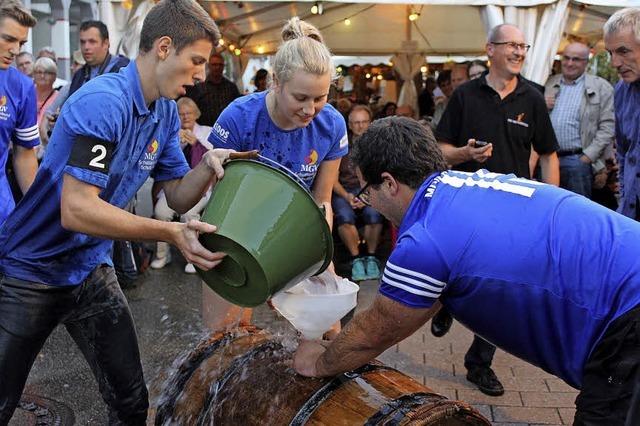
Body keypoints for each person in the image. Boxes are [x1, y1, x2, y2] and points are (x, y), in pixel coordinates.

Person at [294, 116, 640, 425]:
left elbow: (375, 332)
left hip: (626, 316)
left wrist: (320, 362)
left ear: (389, 183)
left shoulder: (424, 237)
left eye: (368, 193)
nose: (372, 204)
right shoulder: (467, 183)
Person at [0, 1, 230, 423]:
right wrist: (170, 234)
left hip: (89, 268)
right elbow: (77, 210)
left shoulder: (162, 110)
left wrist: (208, 167)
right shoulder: (103, 102)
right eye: (196, 61)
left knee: (130, 404)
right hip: (31, 271)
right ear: (164, 47)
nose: (200, 76)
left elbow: (177, 196)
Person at [434, 23, 560, 396]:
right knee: (457, 269)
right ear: (490, 49)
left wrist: (552, 204)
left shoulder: (533, 98)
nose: (520, 52)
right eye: (512, 45)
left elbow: (549, 153)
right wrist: (464, 154)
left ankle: (479, 364)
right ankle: (446, 302)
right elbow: (439, 149)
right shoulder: (465, 96)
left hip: (514, 208)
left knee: (501, 285)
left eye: (524, 46)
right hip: (468, 206)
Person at [206, 17, 348, 332]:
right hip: (238, 232)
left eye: (320, 98)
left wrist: (318, 262)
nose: (311, 110)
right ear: (276, 82)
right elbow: (218, 197)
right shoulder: (239, 118)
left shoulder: (332, 125)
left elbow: (322, 200)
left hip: (298, 233)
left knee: (327, 332)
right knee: (226, 340)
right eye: (300, 98)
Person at [150, 97, 214, 274]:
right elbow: (158, 163)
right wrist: (176, 143)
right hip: (175, 186)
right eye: (181, 114)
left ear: (196, 114)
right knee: (160, 212)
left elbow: (215, 160)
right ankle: (162, 255)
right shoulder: (171, 134)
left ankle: (193, 257)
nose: (185, 117)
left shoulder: (207, 132)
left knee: (189, 214)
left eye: (189, 113)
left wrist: (196, 145)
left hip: (201, 187)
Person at [544, 42, 615, 199]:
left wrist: (587, 157)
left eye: (575, 59)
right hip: (547, 159)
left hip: (577, 161)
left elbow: (608, 127)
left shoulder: (601, 87)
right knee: (549, 207)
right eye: (566, 58)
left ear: (586, 62)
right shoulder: (548, 83)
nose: (569, 63)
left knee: (576, 211)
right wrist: (543, 105)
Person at [332, 104, 383, 281]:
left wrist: (367, 196)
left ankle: (371, 257)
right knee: (344, 216)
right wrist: (347, 196)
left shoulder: (378, 146)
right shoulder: (340, 145)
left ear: (370, 123)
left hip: (371, 189)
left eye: (364, 122)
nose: (360, 126)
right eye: (356, 122)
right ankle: (356, 259)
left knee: (374, 214)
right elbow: (331, 178)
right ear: (349, 124)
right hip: (344, 190)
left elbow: (382, 176)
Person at [0, 0, 39, 226]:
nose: (16, 50)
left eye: (21, 43)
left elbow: (25, 154)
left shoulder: (22, 87)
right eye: (8, 39)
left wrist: (37, 208)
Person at [604, 7, 640, 222]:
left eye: (623, 51)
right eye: (610, 53)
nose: (615, 63)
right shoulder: (620, 90)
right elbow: (624, 153)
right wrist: (625, 200)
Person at [186, 52, 240, 126]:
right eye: (214, 64)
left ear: (223, 66)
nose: (217, 67)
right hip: (204, 132)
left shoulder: (231, 87)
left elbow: (237, 110)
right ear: (208, 66)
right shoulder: (199, 88)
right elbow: (191, 110)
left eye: (220, 65)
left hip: (226, 129)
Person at [32, 57, 59, 146]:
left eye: (47, 73)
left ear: (54, 77)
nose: (42, 76)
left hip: (46, 147)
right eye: (39, 72)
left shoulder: (59, 98)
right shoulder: (26, 95)